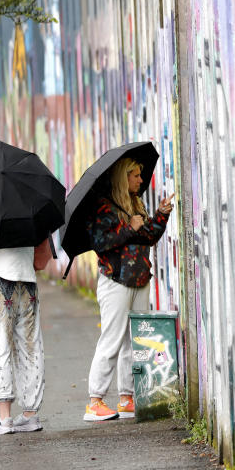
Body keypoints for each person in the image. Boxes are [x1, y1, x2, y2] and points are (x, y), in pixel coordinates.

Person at [84, 157, 174, 421]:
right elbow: (101, 243)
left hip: (140, 278)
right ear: (122, 178)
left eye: (139, 175)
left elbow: (147, 237)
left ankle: (127, 398)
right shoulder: (103, 207)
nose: (139, 180)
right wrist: (128, 226)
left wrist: (161, 215)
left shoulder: (135, 203)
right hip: (116, 281)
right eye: (134, 175)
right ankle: (95, 400)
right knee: (112, 339)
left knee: (134, 343)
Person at [0, 237, 53, 435]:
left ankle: (5, 418)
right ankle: (30, 416)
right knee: (30, 348)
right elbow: (41, 261)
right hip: (27, 282)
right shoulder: (35, 209)